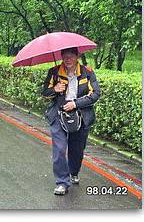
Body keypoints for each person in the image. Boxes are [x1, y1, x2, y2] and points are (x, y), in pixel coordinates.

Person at [42, 47, 101, 195]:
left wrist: (75, 104)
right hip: (58, 114)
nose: (68, 60)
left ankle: (73, 171)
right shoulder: (54, 71)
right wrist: (55, 89)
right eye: (65, 57)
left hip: (80, 115)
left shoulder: (87, 72)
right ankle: (62, 182)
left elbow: (95, 94)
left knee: (77, 149)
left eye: (71, 56)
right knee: (60, 149)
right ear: (61, 57)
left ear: (77, 57)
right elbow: (45, 92)